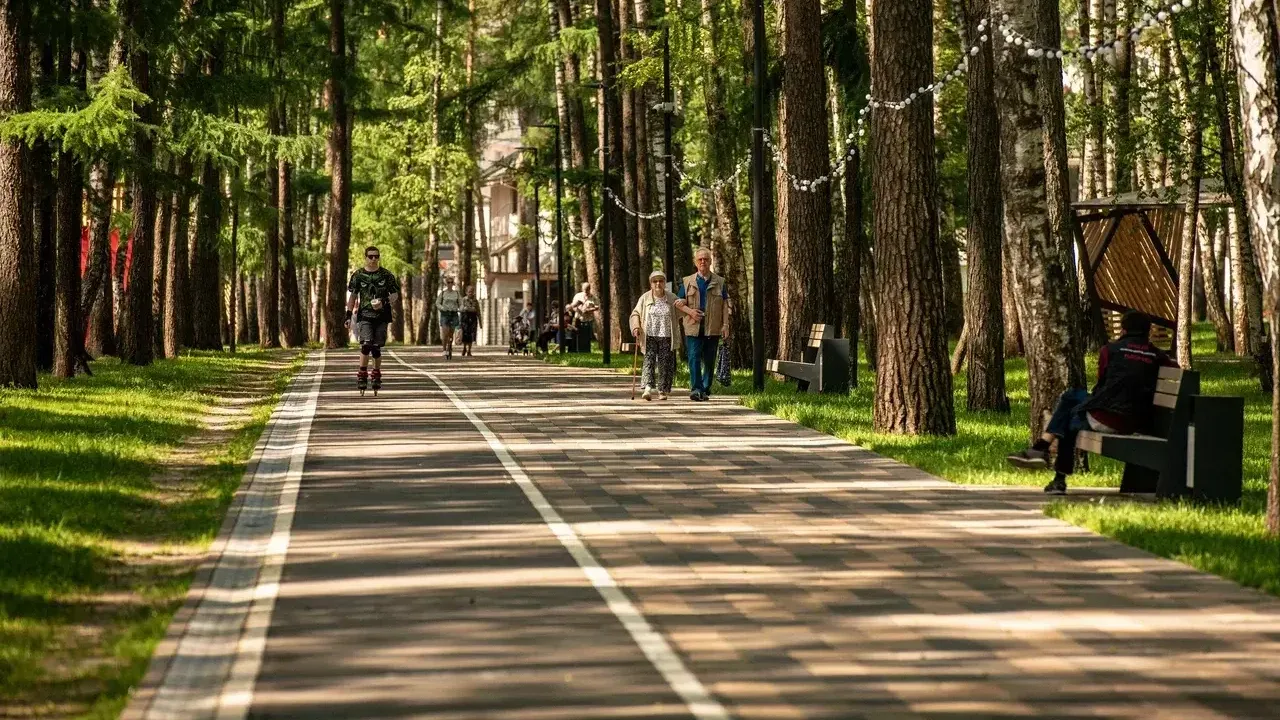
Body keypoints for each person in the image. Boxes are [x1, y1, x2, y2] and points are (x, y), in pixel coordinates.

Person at [1007, 310, 1177, 495]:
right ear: (1148, 330)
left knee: (1069, 418)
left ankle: (1050, 465)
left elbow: (1102, 386)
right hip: (1137, 420)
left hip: (1108, 418)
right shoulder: (1157, 355)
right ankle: (1042, 451)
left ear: (1123, 328)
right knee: (1071, 398)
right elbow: (1176, 371)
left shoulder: (1110, 350)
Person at [674, 247, 731, 401]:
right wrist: (690, 311)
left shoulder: (720, 281)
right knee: (693, 358)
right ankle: (696, 389)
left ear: (710, 261)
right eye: (700, 259)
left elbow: (725, 304)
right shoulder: (687, 281)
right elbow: (678, 302)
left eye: (706, 259)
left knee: (709, 360)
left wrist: (725, 325)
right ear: (695, 262)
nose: (703, 262)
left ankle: (705, 389)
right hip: (693, 326)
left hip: (712, 327)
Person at [344, 245, 400, 393]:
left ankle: (376, 373)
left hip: (382, 316)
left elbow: (395, 294)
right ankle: (362, 373)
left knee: (376, 347)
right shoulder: (358, 275)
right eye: (371, 256)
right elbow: (353, 296)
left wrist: (384, 301)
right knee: (366, 344)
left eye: (376, 256)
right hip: (365, 315)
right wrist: (348, 315)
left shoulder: (387, 275)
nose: (374, 259)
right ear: (366, 257)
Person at [630, 270, 677, 401]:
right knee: (649, 360)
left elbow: (681, 309)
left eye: (661, 281)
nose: (658, 284)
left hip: (667, 335)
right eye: (655, 281)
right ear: (651, 284)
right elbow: (635, 313)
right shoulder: (645, 298)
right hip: (649, 334)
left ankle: (662, 390)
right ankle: (648, 389)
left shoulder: (671, 297)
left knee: (665, 362)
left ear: (664, 283)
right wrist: (635, 327)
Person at [437, 276, 462, 359]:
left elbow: (461, 303)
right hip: (445, 314)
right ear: (446, 284)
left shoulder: (456, 293)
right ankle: (444, 349)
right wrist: (442, 308)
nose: (450, 284)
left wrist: (460, 309)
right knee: (445, 333)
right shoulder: (443, 293)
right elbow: (437, 303)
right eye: (448, 282)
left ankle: (450, 346)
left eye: (451, 282)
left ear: (453, 283)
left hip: (453, 314)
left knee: (451, 334)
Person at [460, 286, 481, 357]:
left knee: (472, 334)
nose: (470, 293)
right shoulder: (464, 300)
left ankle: (469, 350)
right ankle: (464, 348)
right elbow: (461, 309)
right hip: (465, 319)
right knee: (465, 334)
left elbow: (478, 311)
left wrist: (480, 322)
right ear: (466, 292)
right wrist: (466, 309)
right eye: (469, 292)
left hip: (473, 319)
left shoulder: (475, 301)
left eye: (472, 292)